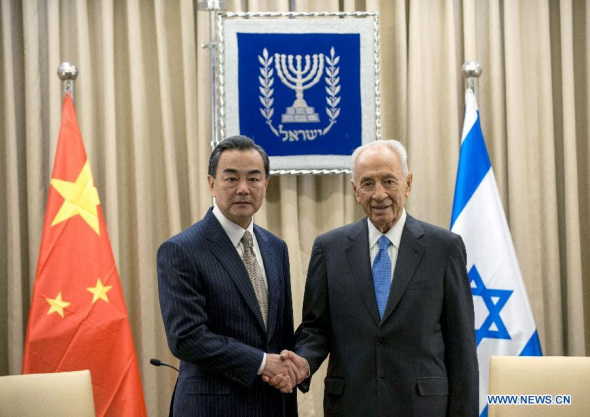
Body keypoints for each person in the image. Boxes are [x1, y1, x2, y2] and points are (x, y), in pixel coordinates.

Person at [276, 139, 479, 416]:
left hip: (423, 407)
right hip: (350, 406)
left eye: (389, 181)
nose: (379, 194)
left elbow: (462, 348)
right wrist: (304, 362)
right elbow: (316, 328)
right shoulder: (329, 248)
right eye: (368, 183)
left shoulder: (444, 248)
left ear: (407, 184)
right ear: (355, 190)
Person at [157, 135, 298, 416]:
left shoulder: (276, 248)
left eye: (254, 179)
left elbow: (279, 334)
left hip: (272, 405)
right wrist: (260, 362)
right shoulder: (181, 249)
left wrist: (288, 369)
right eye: (231, 179)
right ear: (211, 183)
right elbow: (186, 337)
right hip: (212, 407)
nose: (243, 189)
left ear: (266, 184)